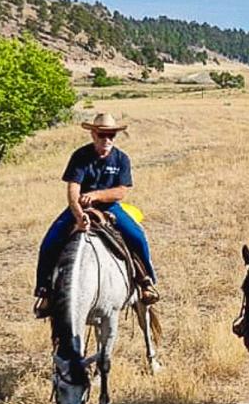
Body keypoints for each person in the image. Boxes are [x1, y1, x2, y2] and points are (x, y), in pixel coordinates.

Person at [33, 113, 157, 317]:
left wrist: (97, 194)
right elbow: (73, 188)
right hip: (80, 208)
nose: (107, 140)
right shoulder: (80, 156)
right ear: (93, 134)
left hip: (110, 208)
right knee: (50, 241)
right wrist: (78, 214)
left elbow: (121, 191)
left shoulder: (121, 158)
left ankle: (146, 283)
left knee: (137, 237)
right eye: (102, 135)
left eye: (111, 136)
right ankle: (44, 291)